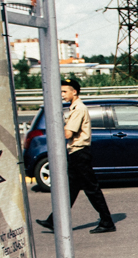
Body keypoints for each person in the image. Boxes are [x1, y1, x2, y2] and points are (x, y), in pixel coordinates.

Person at [36, 77, 116, 234]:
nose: (62, 94)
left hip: (80, 153)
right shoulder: (74, 108)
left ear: (74, 92)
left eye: (65, 91)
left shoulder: (79, 109)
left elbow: (68, 133)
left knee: (92, 189)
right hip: (75, 153)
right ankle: (54, 221)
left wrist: (57, 124)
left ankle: (107, 221)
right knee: (71, 190)